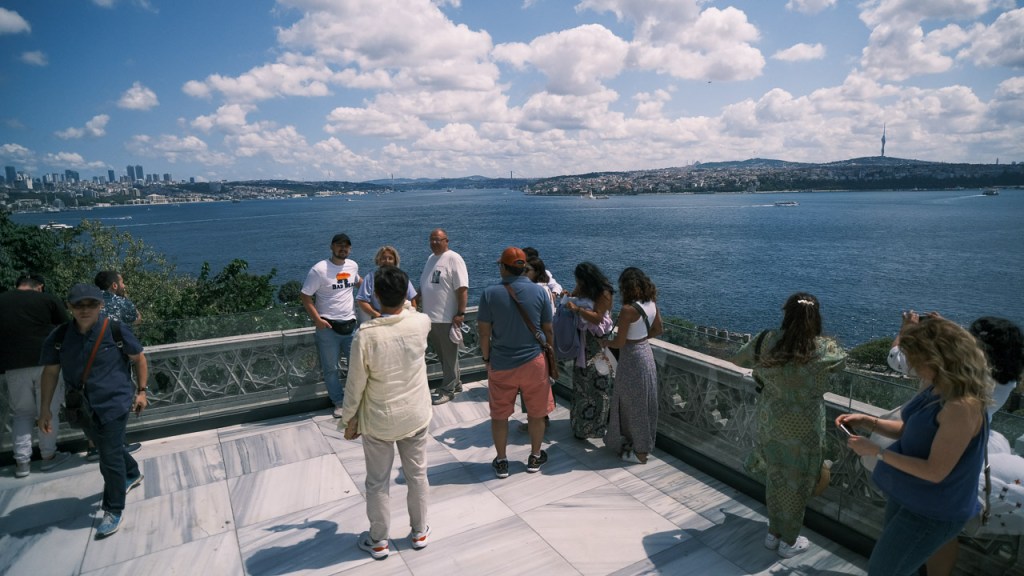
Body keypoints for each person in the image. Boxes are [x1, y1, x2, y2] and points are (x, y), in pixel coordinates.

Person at [838, 317, 991, 576]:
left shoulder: (961, 406)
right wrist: (868, 421)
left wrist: (877, 452)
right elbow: (910, 430)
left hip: (934, 510)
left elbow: (935, 471)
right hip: (911, 494)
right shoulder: (937, 388)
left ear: (936, 358)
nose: (913, 366)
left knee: (883, 571)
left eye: (917, 359)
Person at [887, 313, 1023, 576]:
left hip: (931, 444)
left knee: (917, 521)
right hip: (973, 450)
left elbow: (897, 359)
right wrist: (947, 328)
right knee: (942, 530)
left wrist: (906, 330)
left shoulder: (954, 374)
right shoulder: (1007, 379)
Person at [732, 292, 846, 558]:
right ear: (816, 317)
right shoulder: (826, 348)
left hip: (771, 422)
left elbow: (737, 359)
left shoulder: (766, 340)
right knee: (798, 482)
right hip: (805, 427)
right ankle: (788, 541)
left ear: (786, 314)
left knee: (776, 476)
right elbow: (841, 364)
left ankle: (773, 533)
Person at [38, 283, 149, 539]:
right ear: (69, 307)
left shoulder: (115, 330)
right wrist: (44, 409)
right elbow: (50, 373)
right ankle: (132, 472)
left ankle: (113, 509)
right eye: (79, 305)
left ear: (100, 305)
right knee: (106, 447)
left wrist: (142, 391)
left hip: (115, 402)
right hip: (81, 406)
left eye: (91, 304)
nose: (85, 310)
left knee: (108, 457)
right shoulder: (59, 337)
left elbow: (139, 358)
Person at [339, 266, 432, 560]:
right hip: (415, 414)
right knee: (417, 475)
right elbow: (410, 310)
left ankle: (379, 540)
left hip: (380, 419)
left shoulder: (366, 336)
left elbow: (355, 385)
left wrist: (348, 419)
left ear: (376, 296)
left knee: (378, 481)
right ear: (406, 294)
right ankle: (419, 531)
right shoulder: (421, 323)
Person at [477, 247, 556, 478]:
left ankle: (502, 461)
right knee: (536, 413)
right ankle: (535, 456)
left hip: (502, 362)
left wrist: (486, 358)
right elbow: (548, 330)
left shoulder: (489, 294)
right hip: (534, 362)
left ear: (503, 267)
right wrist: (550, 357)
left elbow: (484, 333)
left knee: (499, 415)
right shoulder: (540, 292)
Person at [0, 274, 70, 478]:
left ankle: (22, 464)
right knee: (48, 410)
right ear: (39, 286)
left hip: (13, 365)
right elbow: (66, 328)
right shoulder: (47, 299)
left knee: (21, 414)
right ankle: (48, 457)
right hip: (47, 364)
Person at [600, 267, 664, 464]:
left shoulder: (628, 310)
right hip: (646, 353)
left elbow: (619, 342)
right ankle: (641, 445)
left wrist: (605, 342)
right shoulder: (651, 303)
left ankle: (639, 452)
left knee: (631, 404)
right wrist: (641, 338)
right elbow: (658, 329)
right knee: (643, 403)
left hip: (631, 359)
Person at [300, 233, 360, 418]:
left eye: (346, 246)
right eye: (339, 245)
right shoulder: (319, 270)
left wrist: (378, 291)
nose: (343, 248)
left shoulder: (353, 265)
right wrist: (317, 320)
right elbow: (305, 296)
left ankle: (355, 400)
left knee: (357, 367)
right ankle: (339, 402)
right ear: (332, 247)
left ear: (350, 249)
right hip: (328, 329)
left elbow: (358, 281)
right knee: (331, 368)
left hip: (351, 325)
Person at [563, 262, 615, 439]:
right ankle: (581, 427)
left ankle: (595, 427)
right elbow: (574, 296)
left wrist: (577, 309)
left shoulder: (604, 292)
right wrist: (568, 296)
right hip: (583, 345)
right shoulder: (584, 288)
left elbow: (598, 317)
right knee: (581, 386)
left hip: (596, 345)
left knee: (598, 386)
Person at [417, 228, 469, 406]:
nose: (434, 243)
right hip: (430, 318)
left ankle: (448, 389)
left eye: (438, 240)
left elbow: (462, 288)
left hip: (446, 318)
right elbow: (425, 284)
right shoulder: (431, 259)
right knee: (444, 356)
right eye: (431, 239)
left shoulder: (454, 258)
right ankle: (456, 383)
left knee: (449, 356)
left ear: (447, 240)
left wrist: (460, 313)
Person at [355, 246, 417, 320]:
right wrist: (377, 315)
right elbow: (362, 300)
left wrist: (412, 316)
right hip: (379, 317)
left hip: (401, 317)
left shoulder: (401, 277)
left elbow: (413, 299)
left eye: (390, 258)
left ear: (395, 261)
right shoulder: (370, 278)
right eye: (383, 258)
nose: (387, 261)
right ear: (378, 260)